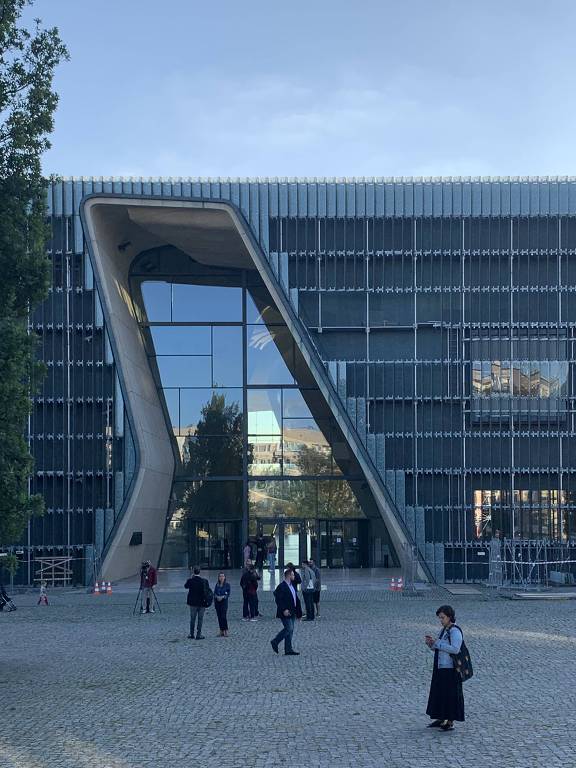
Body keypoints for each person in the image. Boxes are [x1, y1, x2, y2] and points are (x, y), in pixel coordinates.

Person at [425, 604, 465, 731]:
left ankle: (450, 721)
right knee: (441, 693)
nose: (441, 620)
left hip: (451, 669)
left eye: (442, 618)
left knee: (450, 695)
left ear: (449, 617)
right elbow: (439, 647)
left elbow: (455, 649)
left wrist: (438, 643)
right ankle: (442, 717)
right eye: (440, 618)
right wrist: (431, 644)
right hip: (441, 666)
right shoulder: (444, 630)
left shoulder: (455, 631)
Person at [271, 568, 302, 656]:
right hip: (285, 612)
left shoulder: (292, 585)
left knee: (290, 631)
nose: (294, 576)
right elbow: (278, 599)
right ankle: (275, 641)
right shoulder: (282, 586)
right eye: (292, 574)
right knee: (289, 628)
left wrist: (299, 613)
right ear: (288, 576)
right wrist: (284, 609)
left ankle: (288, 649)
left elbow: (296, 599)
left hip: (292, 611)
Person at [185, 566, 210, 640]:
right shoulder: (204, 581)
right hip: (202, 603)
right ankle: (199, 634)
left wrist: (190, 578)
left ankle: (191, 634)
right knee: (200, 619)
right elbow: (207, 591)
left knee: (192, 619)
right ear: (200, 572)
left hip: (193, 603)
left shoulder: (191, 580)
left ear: (193, 572)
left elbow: (186, 586)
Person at [214, 572, 231, 637]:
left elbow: (228, 593)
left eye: (222, 576)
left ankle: (225, 630)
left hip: (224, 602)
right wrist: (217, 597)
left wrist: (223, 597)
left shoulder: (227, 585)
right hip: (217, 602)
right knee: (219, 616)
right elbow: (215, 592)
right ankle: (221, 630)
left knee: (223, 616)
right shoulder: (217, 585)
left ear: (225, 577)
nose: (221, 578)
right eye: (220, 576)